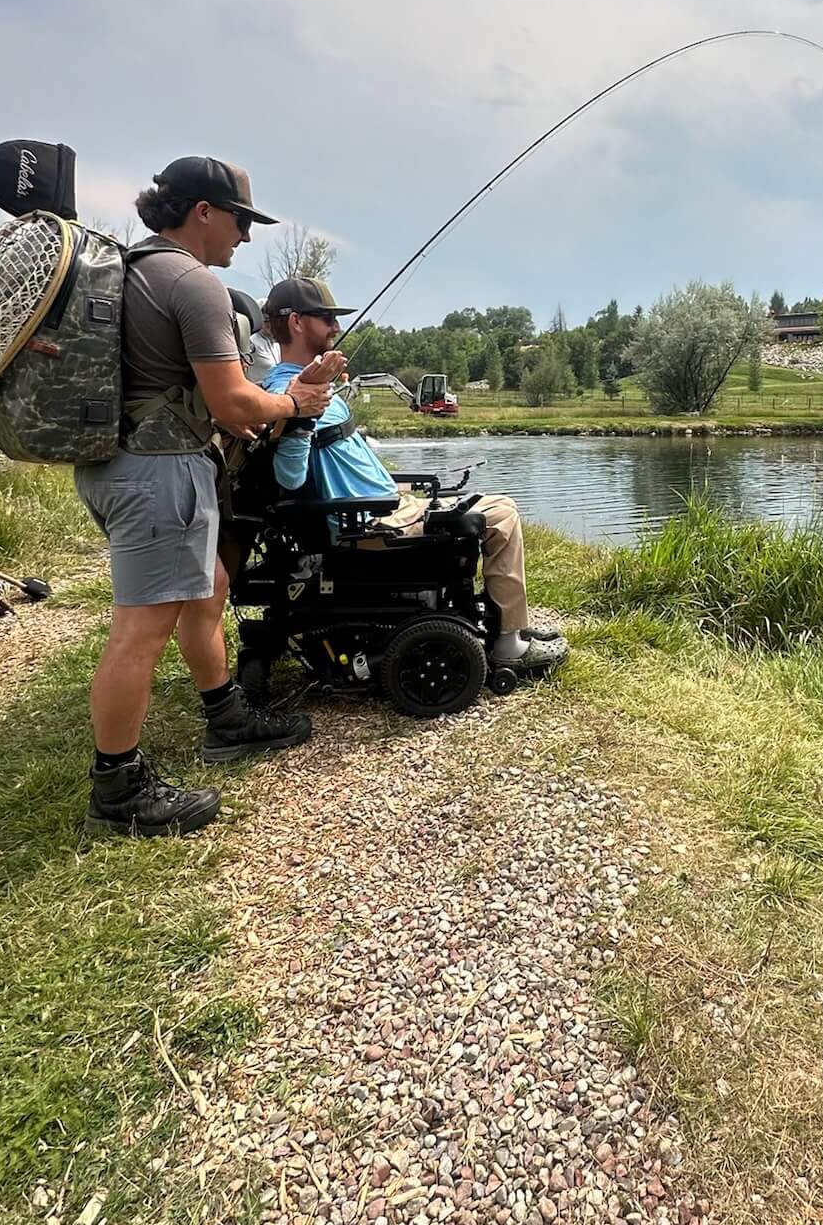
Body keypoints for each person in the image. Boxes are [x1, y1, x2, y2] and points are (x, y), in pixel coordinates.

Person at [74, 159, 344, 840]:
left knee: (211, 586)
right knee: (141, 630)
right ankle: (118, 790)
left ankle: (226, 718)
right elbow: (232, 403)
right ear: (202, 211)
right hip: (160, 473)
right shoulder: (193, 282)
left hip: (117, 465)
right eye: (241, 221)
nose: (245, 238)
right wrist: (296, 399)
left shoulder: (137, 268)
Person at [260, 276, 568, 676]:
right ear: (297, 322)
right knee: (502, 513)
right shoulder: (288, 392)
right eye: (326, 318)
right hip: (367, 524)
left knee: (482, 503)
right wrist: (303, 412)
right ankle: (509, 645)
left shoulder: (306, 387)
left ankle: (512, 625)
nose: (335, 327)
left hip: (383, 507)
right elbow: (289, 476)